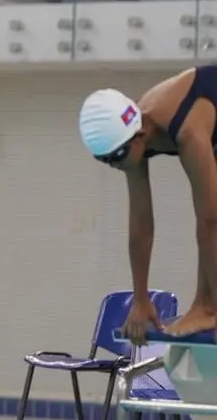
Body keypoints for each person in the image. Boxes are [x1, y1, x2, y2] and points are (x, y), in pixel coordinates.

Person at [78, 67, 217, 343]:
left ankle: (209, 306)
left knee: (210, 215)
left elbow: (210, 221)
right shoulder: (132, 136)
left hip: (203, 111)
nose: (115, 165)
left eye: (117, 156)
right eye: (105, 160)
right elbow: (141, 227)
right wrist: (140, 299)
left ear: (139, 134)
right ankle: (206, 305)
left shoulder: (187, 129)